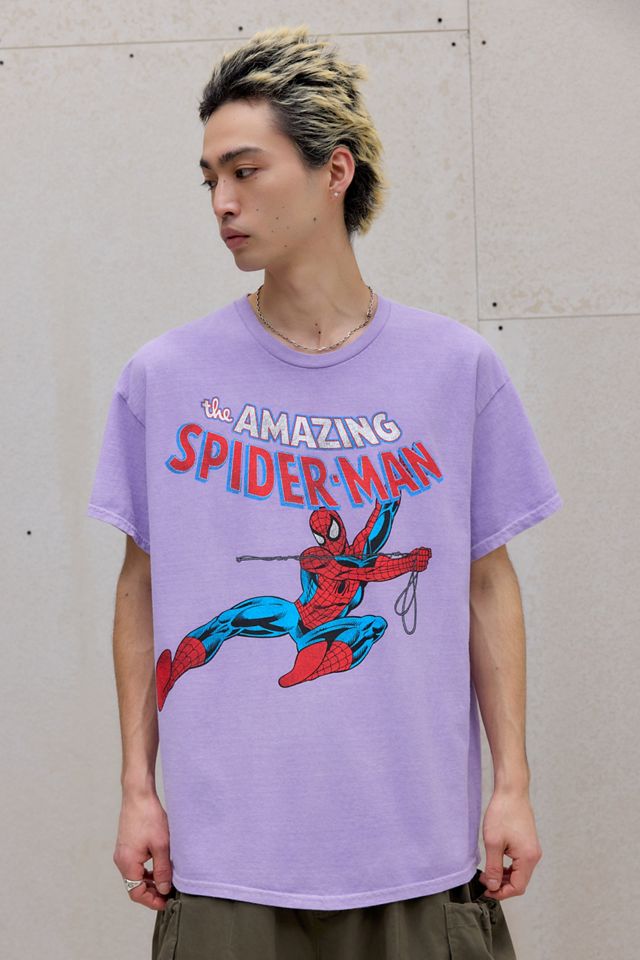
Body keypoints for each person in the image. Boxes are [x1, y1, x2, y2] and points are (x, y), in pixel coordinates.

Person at [86, 23, 563, 960]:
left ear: (334, 171)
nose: (222, 202)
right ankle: (247, 654)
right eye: (209, 179)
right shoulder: (165, 378)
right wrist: (138, 787)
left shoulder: (453, 369)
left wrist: (512, 783)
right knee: (240, 617)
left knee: (359, 626)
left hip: (416, 855)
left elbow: (483, 582)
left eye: (245, 171)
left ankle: (317, 656)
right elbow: (142, 588)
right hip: (227, 862)